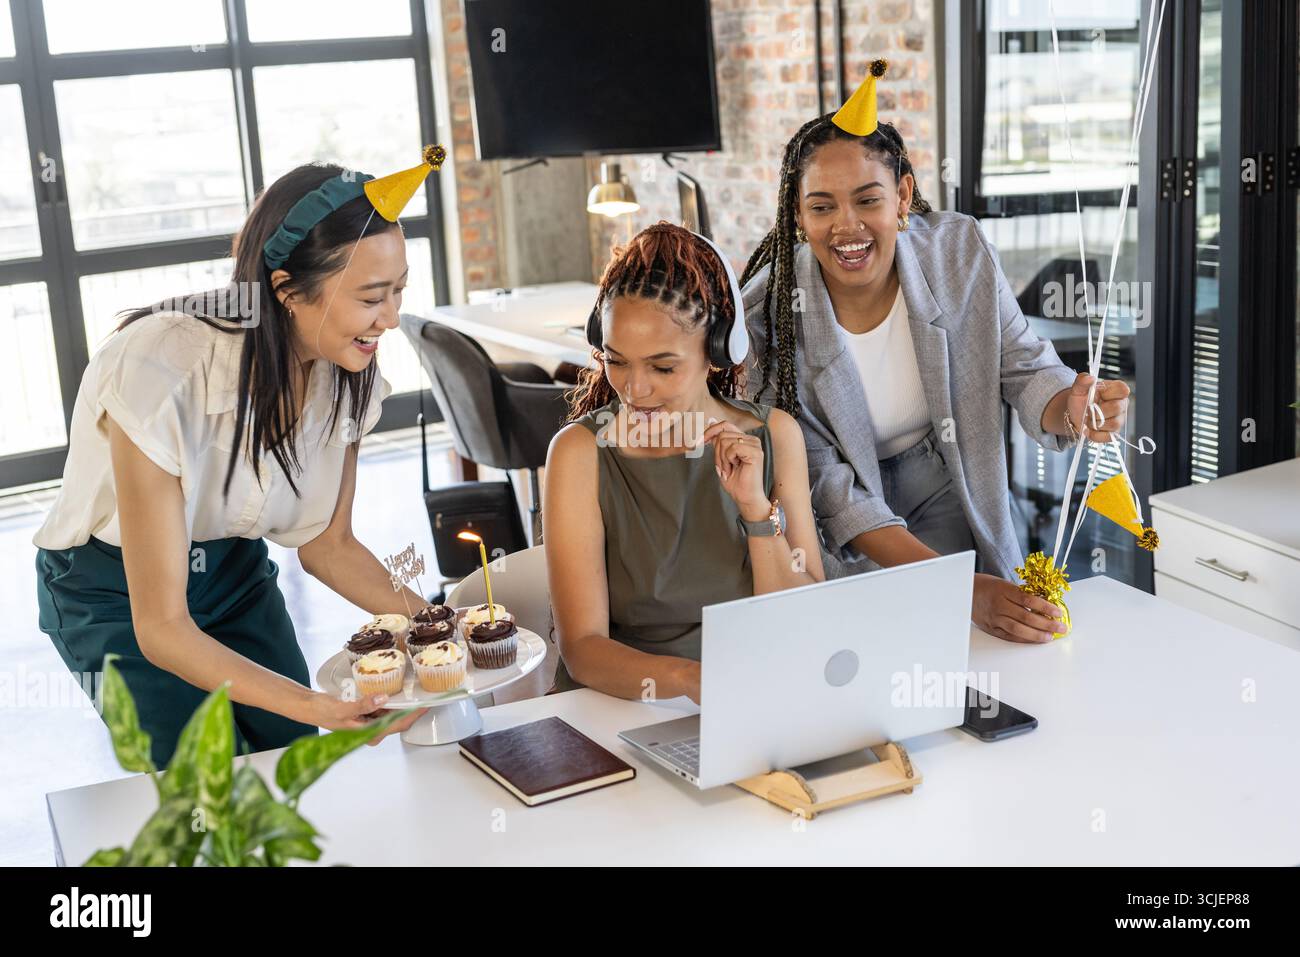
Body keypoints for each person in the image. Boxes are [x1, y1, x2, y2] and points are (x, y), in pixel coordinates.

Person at [33, 157, 442, 765]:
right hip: (113, 590)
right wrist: (318, 707)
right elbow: (163, 627)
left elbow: (329, 546)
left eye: (399, 290)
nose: (390, 318)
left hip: (230, 570)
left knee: (287, 757)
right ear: (286, 291)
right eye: (370, 298)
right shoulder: (163, 367)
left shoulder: (349, 372)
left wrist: (440, 628)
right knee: (204, 779)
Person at [740, 113, 1130, 645]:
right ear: (797, 215)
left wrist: (1070, 406)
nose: (847, 225)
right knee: (868, 647)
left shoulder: (957, 252)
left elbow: (1020, 364)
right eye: (822, 206)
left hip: (944, 476)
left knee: (984, 648)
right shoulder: (769, 316)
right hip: (839, 515)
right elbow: (828, 488)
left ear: (902, 196)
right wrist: (960, 589)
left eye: (868, 199)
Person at [544, 223, 825, 703]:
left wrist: (757, 513)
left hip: (750, 693)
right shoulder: (578, 453)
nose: (633, 389)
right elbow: (582, 649)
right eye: (616, 360)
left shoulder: (775, 436)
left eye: (663, 367)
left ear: (717, 351)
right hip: (618, 704)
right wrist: (691, 682)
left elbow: (804, 616)